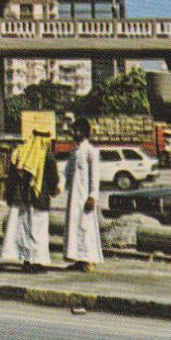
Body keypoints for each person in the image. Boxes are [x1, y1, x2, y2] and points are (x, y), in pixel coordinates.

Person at [0, 128, 55, 269]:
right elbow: (52, 177)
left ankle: (26, 260)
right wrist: (53, 190)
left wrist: (10, 196)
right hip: (39, 199)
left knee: (24, 229)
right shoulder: (46, 155)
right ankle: (37, 261)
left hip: (22, 199)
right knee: (39, 230)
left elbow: (11, 178)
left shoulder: (19, 152)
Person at [63, 116, 104, 272]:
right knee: (74, 227)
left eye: (75, 130)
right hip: (73, 197)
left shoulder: (91, 151)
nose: (73, 133)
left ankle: (89, 260)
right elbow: (67, 172)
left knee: (86, 227)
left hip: (85, 197)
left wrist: (93, 195)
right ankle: (78, 259)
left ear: (82, 132)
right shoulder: (74, 152)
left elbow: (95, 176)